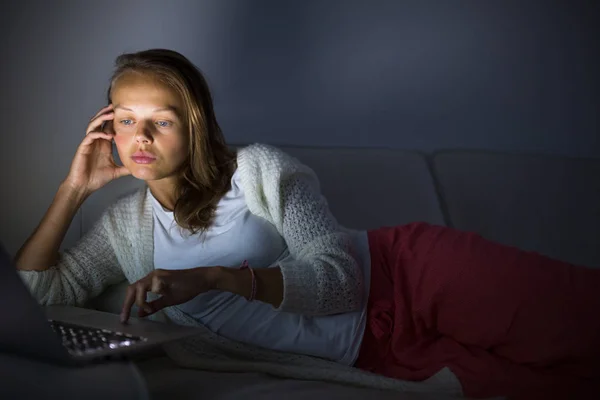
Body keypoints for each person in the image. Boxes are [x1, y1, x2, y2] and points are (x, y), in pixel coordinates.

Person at [15, 49, 600, 399]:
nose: (139, 137)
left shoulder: (259, 170)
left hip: (415, 277)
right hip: (378, 356)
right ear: (108, 129)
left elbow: (341, 280)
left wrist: (214, 277)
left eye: (161, 121)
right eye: (124, 120)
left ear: (194, 125)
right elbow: (36, 296)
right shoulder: (125, 229)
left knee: (583, 321)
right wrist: (72, 190)